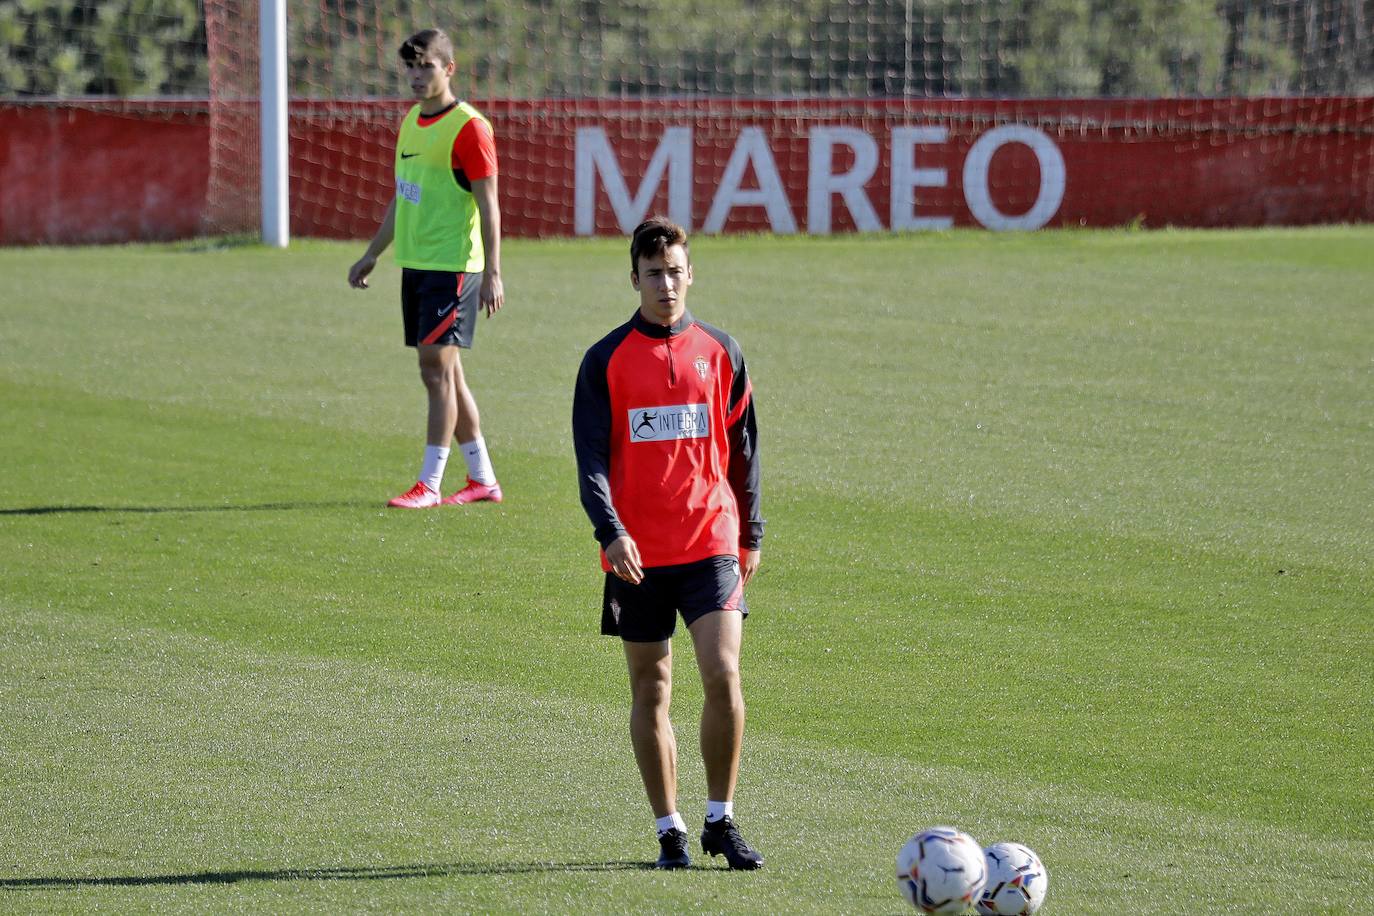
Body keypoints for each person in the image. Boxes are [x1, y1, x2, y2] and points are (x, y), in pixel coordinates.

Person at [572, 216, 765, 871]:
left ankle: (721, 818)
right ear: (634, 278)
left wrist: (753, 530)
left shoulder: (722, 352)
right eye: (653, 273)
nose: (666, 284)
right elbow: (591, 460)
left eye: (675, 271)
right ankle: (670, 831)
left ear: (691, 274)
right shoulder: (605, 361)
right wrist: (611, 530)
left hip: (711, 540)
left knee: (724, 673)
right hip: (637, 554)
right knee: (651, 690)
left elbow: (744, 452)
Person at [348, 28, 505, 509]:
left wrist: (494, 271)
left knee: (434, 371)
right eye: (411, 68)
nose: (417, 77)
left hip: (453, 266)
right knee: (449, 375)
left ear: (449, 69)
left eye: (427, 67)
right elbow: (404, 195)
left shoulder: (470, 128)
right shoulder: (411, 122)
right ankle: (482, 479)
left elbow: (490, 205)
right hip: (415, 264)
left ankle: (430, 484)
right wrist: (374, 251)